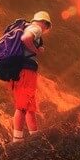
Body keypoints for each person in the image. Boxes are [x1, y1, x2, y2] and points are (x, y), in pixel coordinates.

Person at [11, 10, 51, 141]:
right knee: (22, 106)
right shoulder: (36, 28)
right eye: (47, 26)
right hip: (26, 71)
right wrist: (36, 50)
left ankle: (35, 138)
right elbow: (25, 39)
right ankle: (17, 140)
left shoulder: (27, 27)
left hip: (21, 70)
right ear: (44, 23)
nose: (45, 30)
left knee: (29, 108)